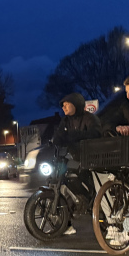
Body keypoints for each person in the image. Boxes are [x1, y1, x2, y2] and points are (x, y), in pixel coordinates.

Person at [51, 93, 102, 236]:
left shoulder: (90, 118)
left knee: (95, 187)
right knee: (62, 184)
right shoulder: (65, 121)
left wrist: (75, 136)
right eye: (62, 105)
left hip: (91, 158)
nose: (63, 107)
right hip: (73, 157)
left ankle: (102, 217)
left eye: (67, 104)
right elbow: (60, 136)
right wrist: (55, 140)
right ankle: (65, 224)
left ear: (76, 105)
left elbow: (96, 133)